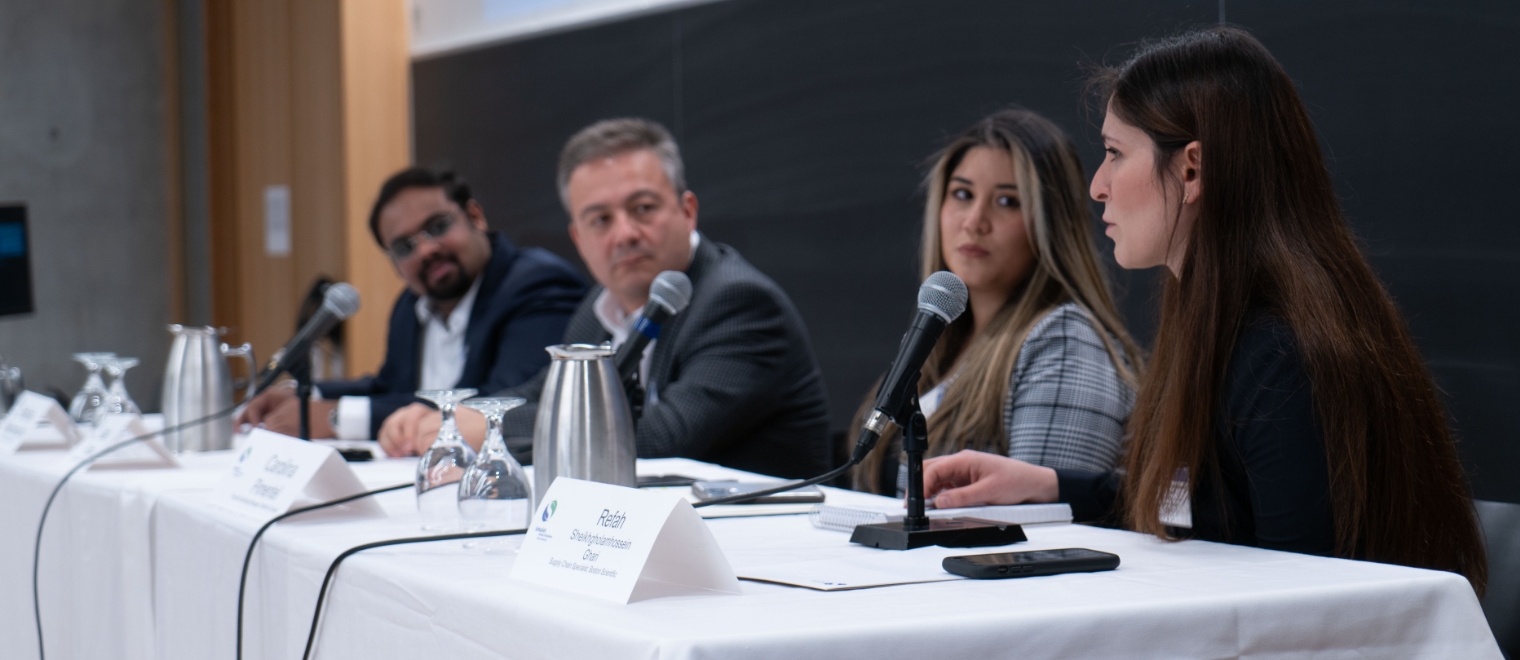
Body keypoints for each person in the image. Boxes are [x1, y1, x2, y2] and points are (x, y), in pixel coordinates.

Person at [922, 27, 1486, 592]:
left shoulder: (1280, 354)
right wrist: (1047, 485)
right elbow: (1206, 507)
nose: (1098, 186)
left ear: (1191, 170)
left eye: (1115, 154)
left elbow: (1310, 596)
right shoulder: (1229, 323)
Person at [379, 119, 833, 479]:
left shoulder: (738, 304)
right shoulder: (601, 307)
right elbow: (543, 391)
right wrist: (460, 414)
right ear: (578, 238)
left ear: (688, 211)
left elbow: (662, 438)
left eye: (643, 209)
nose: (625, 234)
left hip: (764, 552)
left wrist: (494, 429)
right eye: (600, 219)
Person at [852, 109, 1142, 495]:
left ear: (1050, 224)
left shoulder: (1065, 340)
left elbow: (1041, 533)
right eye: (962, 194)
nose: (974, 221)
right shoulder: (940, 346)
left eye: (1006, 201)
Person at [237, 167, 587, 439]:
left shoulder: (537, 286)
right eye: (404, 247)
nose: (426, 250)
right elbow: (392, 387)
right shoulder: (411, 305)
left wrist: (337, 416)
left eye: (437, 227)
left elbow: (501, 402)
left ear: (475, 216)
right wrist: (303, 394)